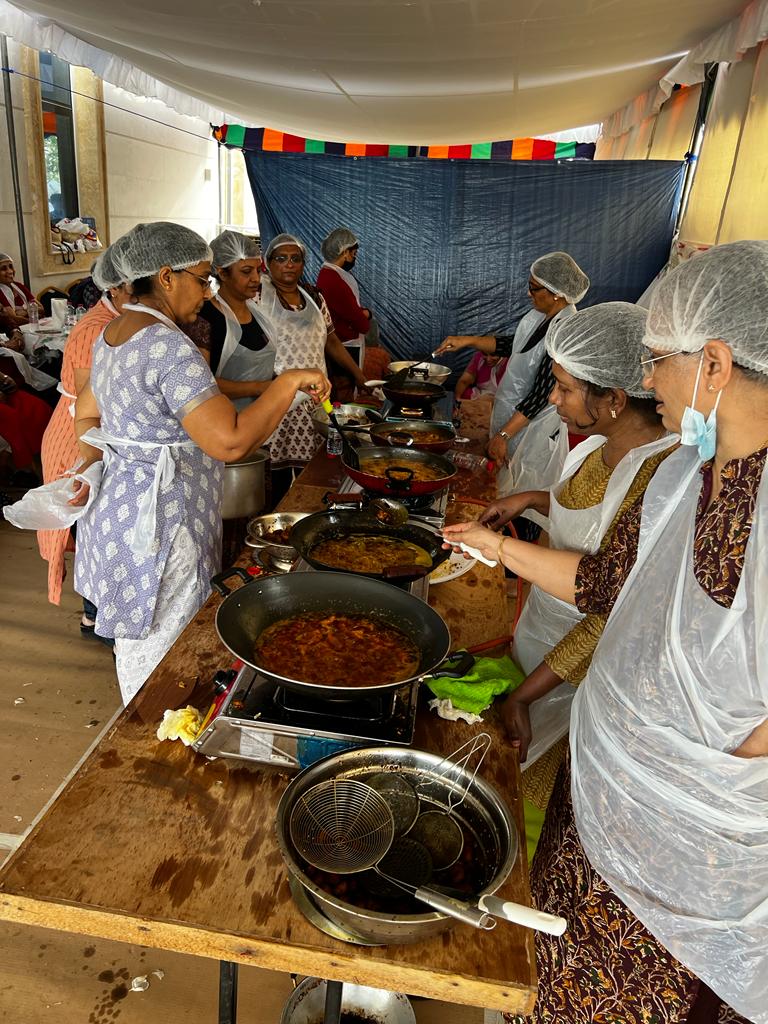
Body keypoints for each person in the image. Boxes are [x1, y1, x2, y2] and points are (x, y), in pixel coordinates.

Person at [445, 240, 768, 1024]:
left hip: (693, 828)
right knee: (556, 962)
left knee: (646, 993)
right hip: (605, 786)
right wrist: (497, 545)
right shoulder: (691, 473)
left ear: (716, 365)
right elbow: (603, 585)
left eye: (660, 360)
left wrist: (704, 773)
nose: (649, 380)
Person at [72, 222, 330, 704]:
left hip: (119, 512)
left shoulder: (113, 334)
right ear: (166, 276)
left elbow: (85, 413)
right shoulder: (169, 346)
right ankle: (158, 735)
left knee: (138, 643)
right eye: (203, 277)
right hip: (163, 521)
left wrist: (98, 466)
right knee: (167, 647)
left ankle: (146, 722)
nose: (208, 291)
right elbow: (229, 443)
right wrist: (289, 381)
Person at [478, 302, 677, 851]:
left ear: (613, 399)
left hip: (573, 674)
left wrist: (525, 693)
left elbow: (610, 608)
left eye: (565, 389)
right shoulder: (600, 444)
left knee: (528, 803)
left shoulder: (656, 477)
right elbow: (583, 514)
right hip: (539, 634)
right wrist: (530, 500)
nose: (553, 399)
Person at [437, 252, 589, 498]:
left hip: (535, 428)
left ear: (556, 293)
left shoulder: (563, 330)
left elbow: (541, 394)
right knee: (506, 484)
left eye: (534, 288)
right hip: (518, 420)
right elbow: (514, 345)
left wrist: (503, 434)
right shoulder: (542, 318)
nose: (529, 293)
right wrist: (467, 341)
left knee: (524, 492)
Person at [37, 244, 134, 620]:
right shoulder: (92, 331)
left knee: (98, 522)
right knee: (90, 524)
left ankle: (99, 605)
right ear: (113, 288)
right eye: (133, 288)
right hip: (78, 438)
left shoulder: (122, 321)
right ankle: (94, 611)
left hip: (98, 435)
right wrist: (89, 464)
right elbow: (86, 408)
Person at [259, 233, 366, 496]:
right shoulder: (259, 297)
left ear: (303, 263)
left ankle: (311, 514)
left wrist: (359, 375)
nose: (289, 264)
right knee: (276, 476)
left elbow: (331, 341)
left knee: (319, 471)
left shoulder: (314, 297)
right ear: (268, 263)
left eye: (296, 259)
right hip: (278, 397)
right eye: (281, 258)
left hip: (316, 398)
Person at [186, 230, 276, 410]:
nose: (256, 279)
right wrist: (258, 388)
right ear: (222, 274)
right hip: (226, 421)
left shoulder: (258, 315)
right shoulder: (204, 319)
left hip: (263, 419)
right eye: (246, 271)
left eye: (258, 270)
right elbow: (200, 383)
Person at [316, 227, 372, 386]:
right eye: (353, 254)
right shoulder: (334, 280)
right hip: (345, 346)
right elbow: (360, 323)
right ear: (345, 253)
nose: (354, 258)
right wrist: (366, 315)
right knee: (345, 393)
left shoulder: (329, 273)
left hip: (343, 340)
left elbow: (347, 309)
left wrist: (362, 313)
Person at [0, 252, 42, 327]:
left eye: (11, 266)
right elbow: (13, 319)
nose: (10, 271)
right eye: (3, 269)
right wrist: (31, 313)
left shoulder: (19, 286)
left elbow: (41, 308)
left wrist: (25, 311)